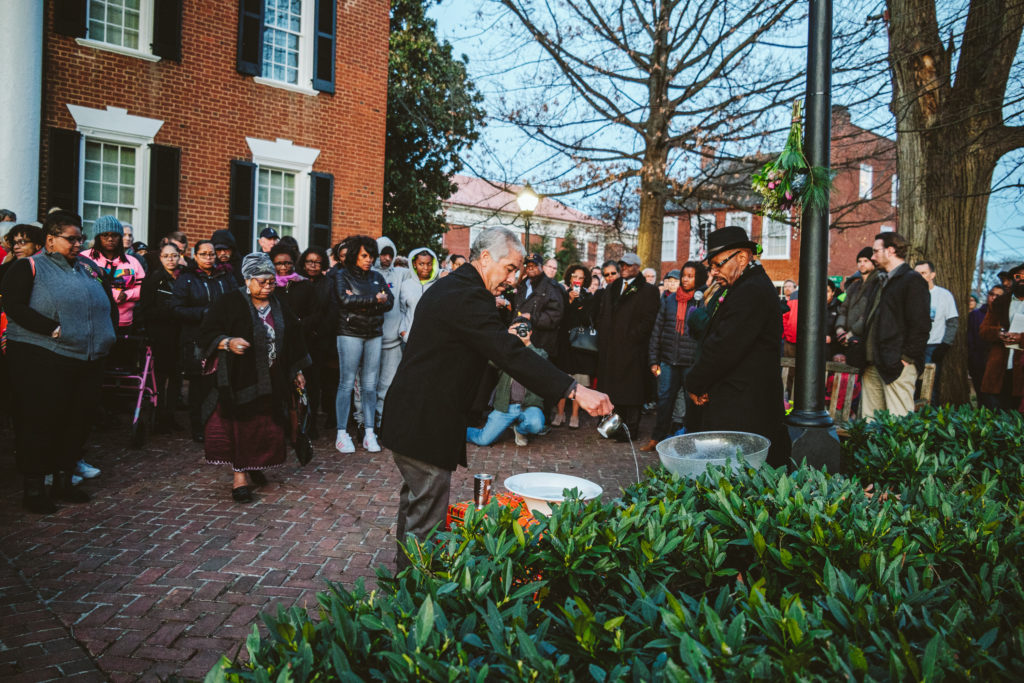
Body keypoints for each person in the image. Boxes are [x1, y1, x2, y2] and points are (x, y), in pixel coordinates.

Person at [381, 227, 612, 568]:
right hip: (424, 420)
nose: (514, 279)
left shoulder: (457, 288)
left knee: (417, 505)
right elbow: (509, 354)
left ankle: (404, 584)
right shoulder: (465, 295)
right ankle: (415, 602)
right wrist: (574, 389)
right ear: (486, 258)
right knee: (426, 517)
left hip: (415, 414)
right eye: (510, 268)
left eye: (517, 271)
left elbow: (479, 343)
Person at [1, 210, 116, 513]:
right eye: (71, 239)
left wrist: (109, 334)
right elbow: (12, 306)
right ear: (50, 239)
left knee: (76, 420)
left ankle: (64, 481)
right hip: (43, 357)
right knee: (40, 421)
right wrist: (52, 328)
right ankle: (35, 488)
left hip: (87, 358)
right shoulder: (29, 267)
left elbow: (106, 302)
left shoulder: (86, 268)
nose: (78, 244)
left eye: (81, 238)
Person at [198, 253, 310, 503]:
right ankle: (240, 478)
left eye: (271, 281)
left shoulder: (279, 303)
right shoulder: (229, 302)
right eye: (262, 281)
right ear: (247, 280)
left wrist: (296, 371)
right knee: (242, 426)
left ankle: (254, 463)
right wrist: (227, 342)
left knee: (266, 425)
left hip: (273, 379)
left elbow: (293, 338)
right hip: (239, 379)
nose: (268, 286)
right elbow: (206, 333)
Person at [685, 226, 790, 466]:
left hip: (743, 405)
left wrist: (694, 382)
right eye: (711, 266)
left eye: (718, 265)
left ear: (742, 258)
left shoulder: (751, 290)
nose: (714, 272)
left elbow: (724, 346)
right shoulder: (744, 286)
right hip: (739, 399)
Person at [172, 239, 238, 441]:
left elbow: (236, 299)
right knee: (199, 386)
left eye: (211, 254)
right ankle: (198, 427)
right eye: (204, 254)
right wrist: (204, 312)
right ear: (195, 255)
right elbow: (176, 309)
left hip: (222, 337)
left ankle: (219, 425)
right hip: (197, 339)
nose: (209, 258)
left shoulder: (225, 276)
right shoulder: (187, 278)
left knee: (223, 382)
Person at [859, 232, 931, 419]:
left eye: (876, 252)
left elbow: (921, 326)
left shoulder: (912, 280)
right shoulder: (879, 281)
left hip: (896, 365)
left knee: (898, 424)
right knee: (870, 423)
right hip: (872, 363)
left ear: (890, 250)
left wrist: (905, 358)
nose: (872, 257)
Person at [333, 235, 394, 454]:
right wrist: (374, 299)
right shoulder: (342, 275)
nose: (369, 260)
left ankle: (369, 432)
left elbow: (390, 302)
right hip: (349, 332)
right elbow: (344, 300)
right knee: (346, 383)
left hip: (373, 333)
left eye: (371, 256)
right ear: (353, 256)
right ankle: (342, 433)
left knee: (370, 386)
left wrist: (364, 302)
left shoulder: (377, 276)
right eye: (364, 256)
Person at [641, 261, 706, 451]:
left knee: (690, 404)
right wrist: (653, 360)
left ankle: (690, 442)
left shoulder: (702, 300)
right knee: (664, 400)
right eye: (683, 275)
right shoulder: (669, 300)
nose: (685, 279)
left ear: (698, 278)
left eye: (690, 276)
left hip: (690, 362)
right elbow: (657, 330)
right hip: (669, 360)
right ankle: (657, 438)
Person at [595, 252, 660, 439]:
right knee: (614, 391)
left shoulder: (648, 290)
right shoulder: (612, 287)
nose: (623, 268)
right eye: (621, 264)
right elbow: (603, 313)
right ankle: (615, 426)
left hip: (633, 350)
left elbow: (649, 320)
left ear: (637, 267)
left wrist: (631, 338)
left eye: (628, 265)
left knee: (632, 392)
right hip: (611, 349)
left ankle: (631, 429)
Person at [466, 317, 551, 446]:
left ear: (530, 332)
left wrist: (527, 343)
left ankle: (520, 429)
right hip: (506, 406)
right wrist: (508, 340)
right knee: (483, 440)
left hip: (529, 406)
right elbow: (492, 361)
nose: (520, 331)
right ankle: (457, 432)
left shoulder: (540, 352)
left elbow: (541, 362)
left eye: (523, 329)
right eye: (516, 329)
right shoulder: (504, 353)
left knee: (536, 424)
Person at [138, 242, 184, 433]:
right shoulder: (153, 280)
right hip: (161, 334)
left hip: (180, 334)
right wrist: (170, 311)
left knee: (176, 377)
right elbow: (145, 310)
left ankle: (170, 416)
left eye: (174, 256)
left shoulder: (185, 278)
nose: (171, 260)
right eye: (166, 256)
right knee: (160, 376)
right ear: (160, 258)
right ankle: (158, 416)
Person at [80, 216, 146, 334]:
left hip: (125, 323)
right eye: (105, 235)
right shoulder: (84, 258)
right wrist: (114, 294)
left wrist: (126, 295)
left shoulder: (133, 261)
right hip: (94, 322)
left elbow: (145, 289)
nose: (110, 239)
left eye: (115, 235)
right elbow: (81, 286)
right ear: (97, 237)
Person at [552, 264, 596, 428]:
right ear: (569, 277)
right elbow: (560, 318)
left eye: (580, 278)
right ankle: (560, 413)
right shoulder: (562, 294)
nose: (577, 280)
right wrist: (569, 300)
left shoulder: (589, 297)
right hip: (564, 343)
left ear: (585, 280)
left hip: (580, 344)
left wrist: (578, 302)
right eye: (574, 277)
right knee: (562, 378)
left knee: (578, 380)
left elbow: (586, 320)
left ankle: (575, 415)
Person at [373, 236, 411, 427]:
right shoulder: (369, 274)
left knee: (388, 385)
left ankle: (382, 423)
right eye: (382, 254)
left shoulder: (401, 274)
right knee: (368, 385)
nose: (385, 258)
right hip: (370, 340)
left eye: (389, 254)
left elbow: (424, 276)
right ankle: (366, 423)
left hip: (393, 341)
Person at [978, 265, 1024, 410]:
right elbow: (984, 330)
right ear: (1012, 280)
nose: (1022, 280)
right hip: (999, 368)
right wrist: (999, 333)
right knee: (997, 415)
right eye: (1018, 277)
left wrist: (1021, 338)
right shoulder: (1000, 302)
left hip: (1021, 371)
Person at [913, 260, 959, 400]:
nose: (919, 276)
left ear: (932, 275)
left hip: (933, 346)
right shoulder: (910, 295)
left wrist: (945, 345)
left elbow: (952, 322)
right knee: (911, 384)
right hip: (913, 346)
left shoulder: (943, 295)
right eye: (916, 273)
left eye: (923, 273)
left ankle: (928, 417)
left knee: (929, 385)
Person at [513, 252, 565, 360]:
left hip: (540, 346)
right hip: (520, 340)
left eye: (535, 265)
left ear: (541, 267)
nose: (531, 268)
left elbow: (554, 317)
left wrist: (531, 317)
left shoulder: (552, 287)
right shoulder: (522, 285)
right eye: (528, 265)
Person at [834, 247, 881, 367]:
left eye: (866, 261)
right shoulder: (853, 287)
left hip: (866, 341)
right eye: (859, 261)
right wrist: (840, 329)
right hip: (849, 343)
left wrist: (851, 333)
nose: (862, 264)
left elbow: (869, 313)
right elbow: (843, 309)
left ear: (873, 262)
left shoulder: (878, 284)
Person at [398, 246, 440, 343]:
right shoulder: (406, 285)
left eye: (429, 264)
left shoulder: (438, 285)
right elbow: (401, 311)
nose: (426, 268)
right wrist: (404, 333)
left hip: (433, 339)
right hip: (410, 339)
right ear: (414, 264)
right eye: (421, 264)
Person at [968, 285, 1002, 399]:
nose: (993, 298)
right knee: (982, 396)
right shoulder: (976, 315)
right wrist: (973, 359)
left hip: (998, 362)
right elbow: (970, 339)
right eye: (991, 294)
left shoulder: (1005, 315)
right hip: (979, 361)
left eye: (998, 296)